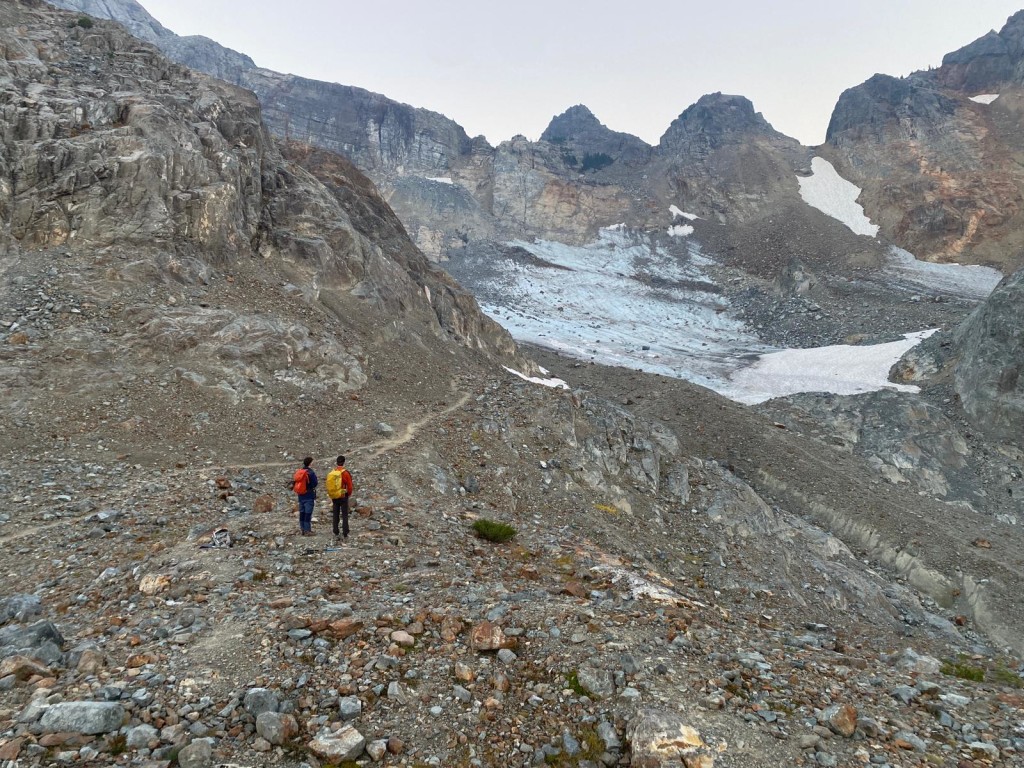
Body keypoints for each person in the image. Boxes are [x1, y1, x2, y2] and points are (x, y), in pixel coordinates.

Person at [326, 455, 354, 542]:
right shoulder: (345, 473)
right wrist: (348, 494)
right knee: (344, 515)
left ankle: (335, 531)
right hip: (343, 496)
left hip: (334, 496)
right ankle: (345, 532)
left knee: (335, 514)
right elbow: (349, 486)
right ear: (344, 462)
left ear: (337, 462)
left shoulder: (333, 472)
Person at [292, 456, 318, 536]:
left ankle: (302, 529)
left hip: (300, 496)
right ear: (310, 463)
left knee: (302, 513)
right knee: (308, 513)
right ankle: (307, 530)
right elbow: (315, 483)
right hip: (308, 495)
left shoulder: (300, 471)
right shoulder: (310, 472)